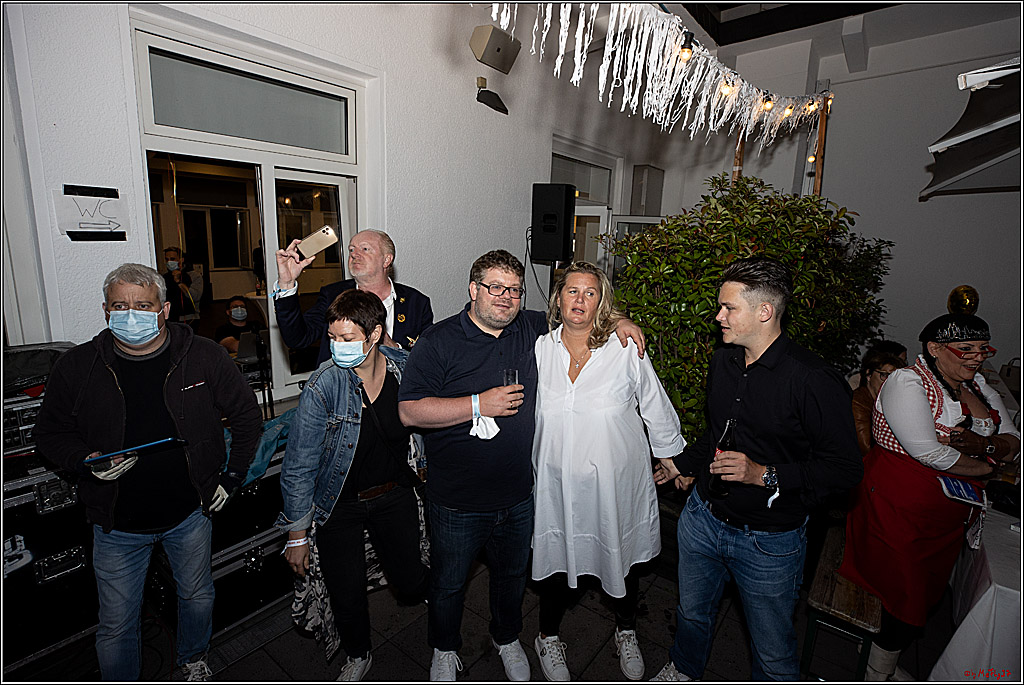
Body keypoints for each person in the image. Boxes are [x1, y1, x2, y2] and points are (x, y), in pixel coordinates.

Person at [397, 250, 645, 682]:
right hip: (457, 499)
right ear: (473, 290)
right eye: (495, 287)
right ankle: (443, 647)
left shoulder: (530, 327)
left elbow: (580, 311)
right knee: (449, 583)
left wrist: (620, 320)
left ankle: (507, 637)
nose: (505, 297)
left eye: (514, 289)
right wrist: (479, 404)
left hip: (519, 494)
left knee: (512, 578)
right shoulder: (437, 341)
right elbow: (410, 413)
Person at [32, 263, 263, 681]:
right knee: (117, 625)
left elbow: (247, 416)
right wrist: (85, 460)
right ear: (105, 311)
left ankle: (193, 658)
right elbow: (49, 434)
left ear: (164, 309)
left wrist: (232, 478)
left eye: (142, 305)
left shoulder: (204, 355)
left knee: (196, 596)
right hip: (116, 523)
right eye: (120, 305)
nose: (131, 313)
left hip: (190, 513)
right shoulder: (78, 367)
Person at [652, 257, 862, 681]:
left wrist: (764, 474)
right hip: (702, 520)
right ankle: (684, 669)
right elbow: (717, 436)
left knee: (772, 652)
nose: (718, 316)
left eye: (729, 308)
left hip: (768, 542)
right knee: (691, 614)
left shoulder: (813, 380)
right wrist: (679, 463)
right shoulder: (723, 361)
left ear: (764, 312)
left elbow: (844, 472)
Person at [838, 313, 1020, 680]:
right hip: (897, 500)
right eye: (965, 348)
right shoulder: (907, 383)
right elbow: (930, 453)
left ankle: (879, 656)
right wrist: (988, 464)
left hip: (947, 508)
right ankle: (877, 670)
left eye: (982, 349)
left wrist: (985, 444)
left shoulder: (981, 385)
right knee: (905, 593)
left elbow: (1014, 443)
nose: (976, 357)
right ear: (935, 349)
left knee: (926, 590)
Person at [530, 262, 686, 681]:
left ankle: (626, 629)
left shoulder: (624, 350)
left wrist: (675, 462)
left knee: (624, 559)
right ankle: (547, 636)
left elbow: (655, 405)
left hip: (616, 483)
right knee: (556, 561)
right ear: (557, 298)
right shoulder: (540, 349)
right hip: (556, 485)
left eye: (591, 293)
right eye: (572, 291)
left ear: (603, 302)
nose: (580, 300)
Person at [277, 289, 428, 681]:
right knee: (346, 591)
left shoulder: (404, 370)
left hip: (393, 494)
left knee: (411, 579)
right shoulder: (323, 385)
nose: (337, 347)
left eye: (347, 339)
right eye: (332, 338)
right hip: (338, 504)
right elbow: (298, 465)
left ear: (375, 334)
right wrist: (296, 534)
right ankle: (358, 653)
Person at [273, 229, 433, 363]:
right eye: (351, 250)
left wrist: (392, 347)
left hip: (397, 394)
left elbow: (428, 359)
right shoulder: (332, 296)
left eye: (365, 249)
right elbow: (298, 339)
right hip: (343, 393)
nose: (354, 254)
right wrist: (286, 283)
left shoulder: (417, 303)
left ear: (386, 260)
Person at [852, 349, 904, 456]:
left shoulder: (890, 401)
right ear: (868, 375)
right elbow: (866, 448)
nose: (888, 381)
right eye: (884, 375)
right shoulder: (858, 402)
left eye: (893, 377)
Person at [162, 246, 199, 324]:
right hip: (171, 319)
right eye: (167, 259)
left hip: (189, 318)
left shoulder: (193, 276)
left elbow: (195, 296)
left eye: (172, 259)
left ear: (181, 260)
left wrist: (178, 282)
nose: (169, 262)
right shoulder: (164, 277)